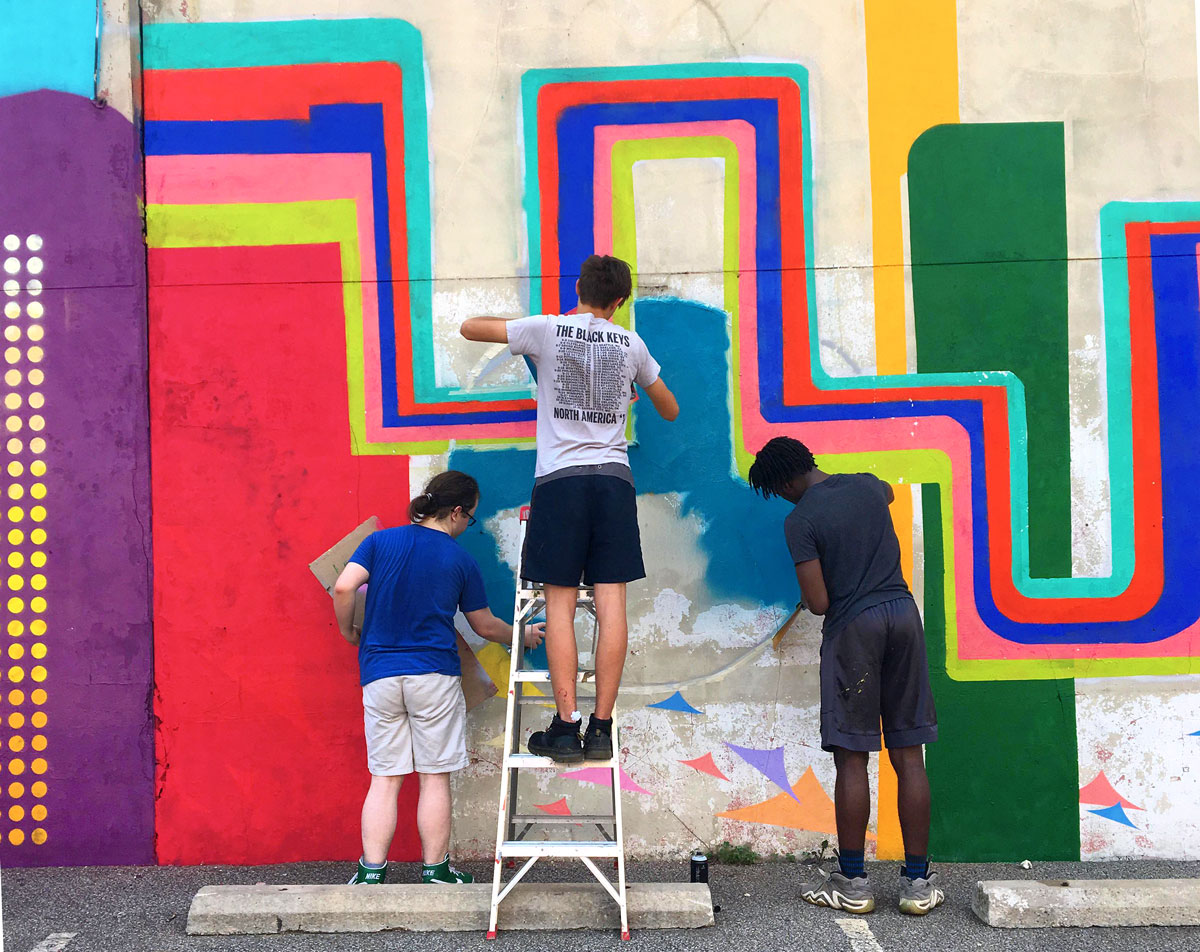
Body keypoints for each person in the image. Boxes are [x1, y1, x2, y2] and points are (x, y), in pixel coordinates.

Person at [460, 254, 678, 763]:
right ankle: (601, 728)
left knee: (559, 604)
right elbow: (669, 407)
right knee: (612, 606)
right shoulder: (631, 344)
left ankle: (565, 725)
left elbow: (470, 327)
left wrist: (533, 331)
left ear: (578, 287)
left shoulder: (547, 330)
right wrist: (629, 395)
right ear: (620, 302)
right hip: (614, 481)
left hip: (561, 482)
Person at [748, 436, 944, 916]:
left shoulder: (801, 520)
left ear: (789, 479)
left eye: (779, 490)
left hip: (855, 629)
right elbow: (887, 494)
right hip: (903, 616)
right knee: (908, 754)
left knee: (853, 758)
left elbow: (818, 603)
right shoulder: (866, 485)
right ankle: (918, 883)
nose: (784, 499)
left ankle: (853, 882)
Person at [333, 470, 543, 885]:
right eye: (471, 518)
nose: (469, 526)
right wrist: (524, 633)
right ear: (458, 512)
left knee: (386, 778)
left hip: (380, 674)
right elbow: (484, 626)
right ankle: (436, 871)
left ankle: (371, 872)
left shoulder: (379, 542)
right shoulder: (458, 558)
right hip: (433, 676)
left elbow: (343, 588)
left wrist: (349, 631)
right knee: (434, 777)